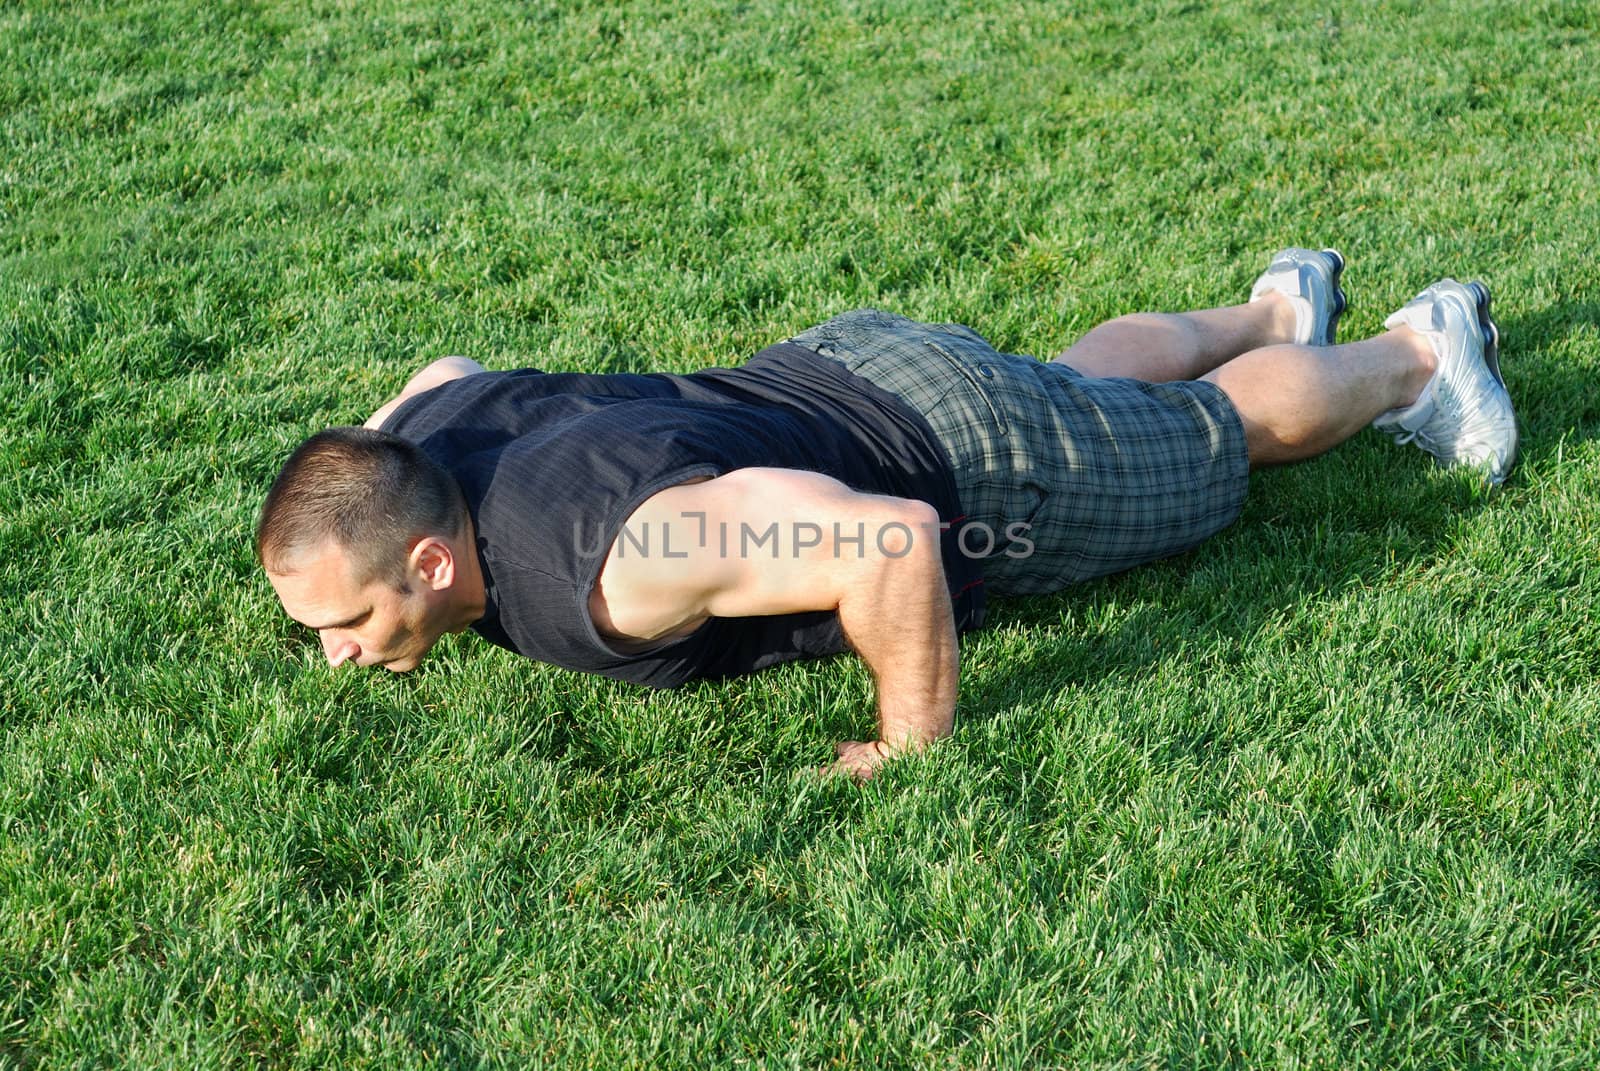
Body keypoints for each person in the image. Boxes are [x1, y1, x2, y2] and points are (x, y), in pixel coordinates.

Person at [256, 249, 1517, 780]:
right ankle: (1277, 307)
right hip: (842, 364)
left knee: (1214, 437)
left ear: (429, 556)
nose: (343, 653)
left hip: (968, 460)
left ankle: (1416, 354)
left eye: (355, 619)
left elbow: (890, 539)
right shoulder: (424, 442)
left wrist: (912, 741)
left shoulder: (619, 563)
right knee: (1080, 383)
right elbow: (427, 380)